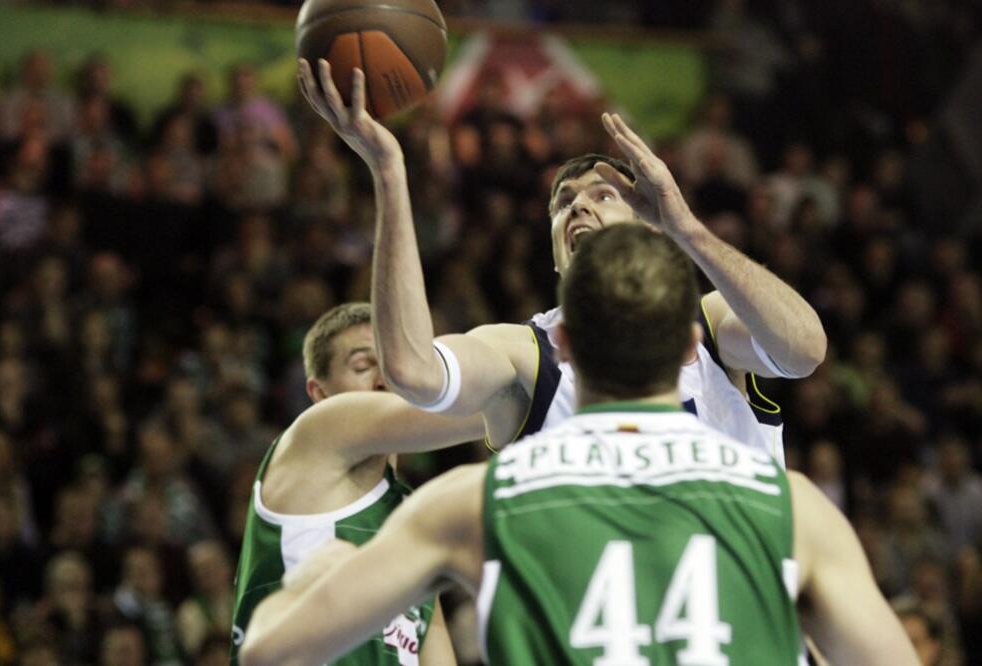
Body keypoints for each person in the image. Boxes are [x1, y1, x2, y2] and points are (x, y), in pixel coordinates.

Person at [239, 224, 916, 665]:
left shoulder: (472, 504)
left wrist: (318, 574)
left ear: (561, 344)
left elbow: (269, 653)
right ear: (688, 343)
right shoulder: (794, 508)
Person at [297, 59, 827, 463]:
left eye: (602, 196)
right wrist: (390, 172)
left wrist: (687, 229)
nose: (577, 204)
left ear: (653, 229)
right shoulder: (526, 354)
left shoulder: (709, 325)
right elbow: (414, 370)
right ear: (555, 255)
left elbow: (804, 349)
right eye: (563, 202)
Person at [229, 302, 488, 665]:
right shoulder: (314, 433)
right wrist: (543, 378)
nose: (386, 378)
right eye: (363, 366)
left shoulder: (413, 514)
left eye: (395, 364)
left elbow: (434, 644)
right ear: (319, 394)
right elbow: (469, 411)